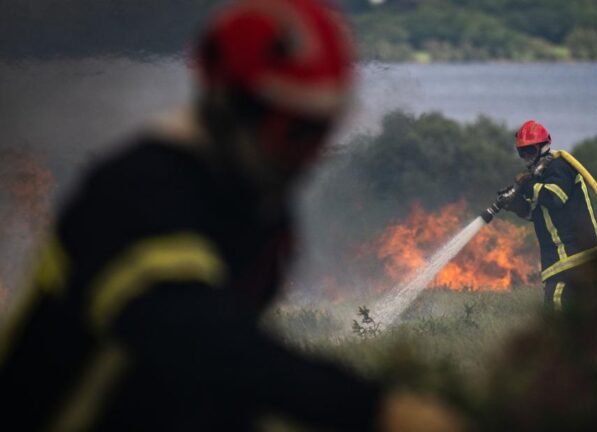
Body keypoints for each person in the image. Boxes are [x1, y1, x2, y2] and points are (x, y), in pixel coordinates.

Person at [0, 1, 461, 431]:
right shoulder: (137, 192)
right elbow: (200, 338)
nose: (310, 156)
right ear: (232, 106)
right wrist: (372, 409)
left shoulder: (257, 207)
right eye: (297, 132)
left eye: (324, 132)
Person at [499, 120, 597, 311]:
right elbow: (539, 215)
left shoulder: (559, 166)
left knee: (557, 312)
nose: (526, 157)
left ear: (542, 147)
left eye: (529, 151)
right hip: (564, 261)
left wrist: (526, 186)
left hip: (574, 258)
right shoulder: (540, 177)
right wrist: (516, 205)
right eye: (521, 152)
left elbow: (555, 197)